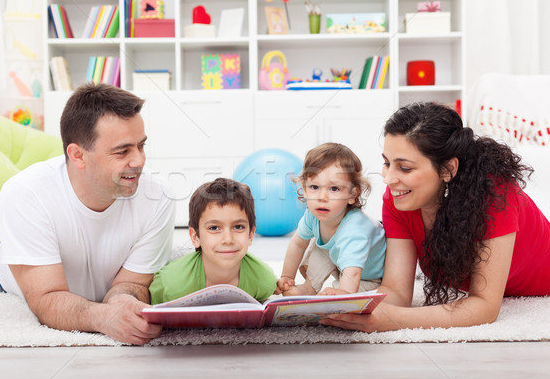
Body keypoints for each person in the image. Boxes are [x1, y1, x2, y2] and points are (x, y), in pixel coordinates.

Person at [0, 83, 175, 345]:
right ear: (78, 155)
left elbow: (133, 284)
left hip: (41, 250)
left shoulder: (159, 197)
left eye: (141, 146)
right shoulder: (25, 193)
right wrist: (102, 317)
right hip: (5, 268)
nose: (139, 161)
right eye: (123, 151)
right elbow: (46, 299)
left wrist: (123, 304)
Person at [320, 102, 550, 332]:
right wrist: (346, 302)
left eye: (405, 168)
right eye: (387, 163)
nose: (389, 179)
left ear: (448, 169)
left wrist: (394, 320)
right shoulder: (398, 200)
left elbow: (485, 307)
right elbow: (397, 292)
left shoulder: (494, 194)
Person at [276, 143, 387, 296]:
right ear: (305, 188)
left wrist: (343, 294)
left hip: (369, 276)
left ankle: (339, 292)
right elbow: (298, 243)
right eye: (314, 187)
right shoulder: (312, 215)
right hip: (340, 261)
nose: (322, 197)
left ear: (352, 195)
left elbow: (353, 273)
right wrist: (287, 277)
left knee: (360, 294)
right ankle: (309, 287)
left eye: (334, 189)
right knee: (320, 246)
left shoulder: (355, 230)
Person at [150, 178, 277, 304]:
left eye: (238, 227)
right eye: (214, 228)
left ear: (250, 235)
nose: (228, 239)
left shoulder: (264, 281)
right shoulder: (170, 285)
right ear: (195, 237)